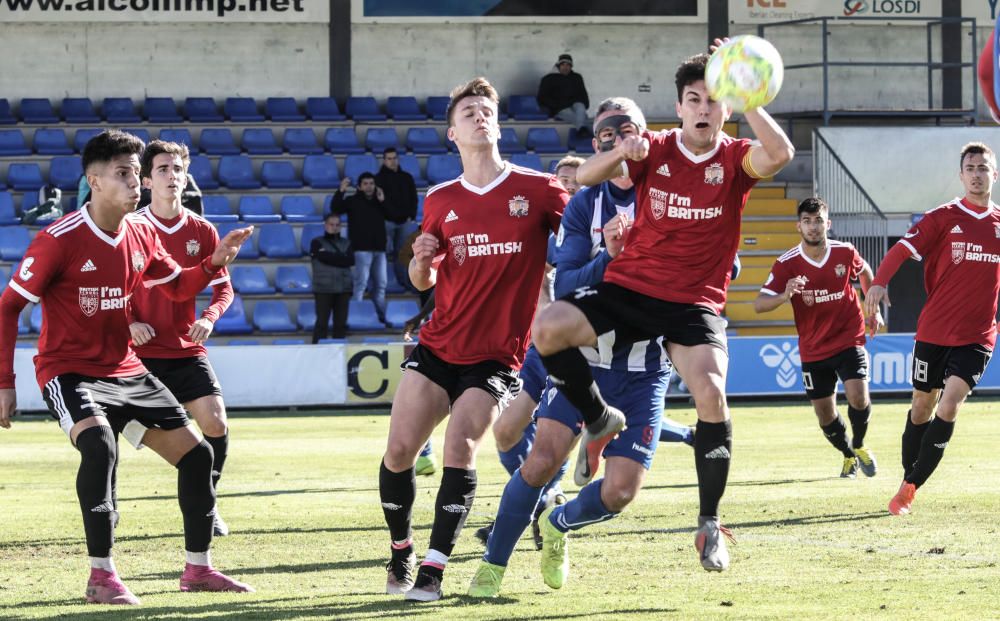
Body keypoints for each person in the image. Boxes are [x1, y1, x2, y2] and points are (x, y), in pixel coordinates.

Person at [531, 44, 794, 573]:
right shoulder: (654, 147)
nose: (703, 109)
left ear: (725, 109)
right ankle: (597, 418)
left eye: (713, 101)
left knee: (713, 393)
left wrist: (749, 100)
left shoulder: (736, 158)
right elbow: (584, 178)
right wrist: (622, 149)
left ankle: (709, 525)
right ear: (678, 107)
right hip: (632, 288)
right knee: (548, 327)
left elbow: (782, 154)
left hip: (693, 304)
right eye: (693, 99)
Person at [0, 130, 254, 605]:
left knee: (198, 457)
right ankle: (101, 576)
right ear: (93, 181)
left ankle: (198, 570)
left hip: (126, 370)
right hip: (69, 370)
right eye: (122, 173)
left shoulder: (141, 232)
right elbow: (9, 306)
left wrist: (213, 262)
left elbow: (178, 287)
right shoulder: (58, 240)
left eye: (136, 174)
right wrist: (4, 383)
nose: (134, 183)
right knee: (99, 448)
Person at [468, 98, 701, 597]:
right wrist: (610, 259)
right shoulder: (583, 204)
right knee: (538, 458)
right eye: (606, 135)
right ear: (597, 144)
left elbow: (725, 266)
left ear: (646, 135)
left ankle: (558, 524)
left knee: (619, 493)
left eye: (627, 130)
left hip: (644, 368)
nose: (618, 141)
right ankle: (491, 568)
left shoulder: (674, 192)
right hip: (584, 362)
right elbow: (569, 281)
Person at [379, 77, 566, 602]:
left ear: (498, 124)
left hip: (496, 357)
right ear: (451, 133)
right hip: (438, 345)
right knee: (398, 452)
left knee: (460, 447)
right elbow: (425, 280)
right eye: (469, 112)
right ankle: (401, 550)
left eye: (487, 110)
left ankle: (434, 572)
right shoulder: (440, 200)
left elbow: (576, 242)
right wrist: (419, 264)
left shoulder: (538, 190)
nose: (479, 116)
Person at [865, 142, 1000, 516]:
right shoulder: (943, 217)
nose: (977, 174)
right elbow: (901, 251)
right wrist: (878, 283)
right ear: (961, 175)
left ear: (994, 174)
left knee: (950, 403)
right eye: (970, 168)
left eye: (983, 168)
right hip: (934, 331)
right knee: (921, 406)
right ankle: (910, 475)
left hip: (978, 337)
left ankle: (909, 488)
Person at [128, 140, 236, 537]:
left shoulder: (202, 230)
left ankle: (207, 504)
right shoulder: (133, 228)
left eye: (178, 169)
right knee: (107, 435)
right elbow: (107, 286)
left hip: (184, 348)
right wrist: (128, 323)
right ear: (146, 180)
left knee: (216, 423)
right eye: (163, 169)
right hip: (134, 354)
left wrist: (208, 316)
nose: (172, 176)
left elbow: (223, 288)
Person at [753, 197, 882, 479]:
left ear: (828, 223)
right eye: (807, 221)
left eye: (818, 221)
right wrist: (784, 295)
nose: (813, 227)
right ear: (799, 225)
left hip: (849, 337)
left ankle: (859, 445)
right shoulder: (786, 264)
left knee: (858, 397)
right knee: (825, 414)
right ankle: (848, 455)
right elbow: (759, 304)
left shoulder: (845, 252)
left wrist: (872, 310)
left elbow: (866, 273)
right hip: (813, 348)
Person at [330, 172, 388, 324]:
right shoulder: (352, 201)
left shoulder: (379, 201)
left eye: (371, 183)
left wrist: (383, 202)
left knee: (381, 285)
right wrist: (341, 190)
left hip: (379, 250)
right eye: (366, 184)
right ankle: (357, 317)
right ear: (359, 186)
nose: (369, 187)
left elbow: (393, 215)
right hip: (361, 250)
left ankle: (381, 317)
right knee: (360, 284)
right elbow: (335, 208)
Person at [310, 212, 354, 342]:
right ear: (325, 225)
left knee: (340, 325)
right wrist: (341, 258)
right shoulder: (316, 242)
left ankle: (338, 355)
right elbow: (324, 257)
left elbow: (350, 260)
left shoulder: (347, 243)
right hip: (323, 289)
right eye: (331, 224)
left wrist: (330, 256)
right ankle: (316, 354)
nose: (334, 227)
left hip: (343, 289)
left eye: (337, 225)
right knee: (321, 324)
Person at [375, 147, 418, 261]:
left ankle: (402, 279)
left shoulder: (407, 177)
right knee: (384, 254)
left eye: (394, 158)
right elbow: (379, 201)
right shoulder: (378, 179)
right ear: (384, 160)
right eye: (389, 158)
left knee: (403, 255)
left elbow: (413, 197)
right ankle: (385, 279)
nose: (392, 161)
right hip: (386, 222)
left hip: (405, 222)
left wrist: (411, 216)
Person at [537, 54, 590, 136]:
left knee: (580, 106)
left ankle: (583, 130)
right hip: (560, 108)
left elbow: (583, 95)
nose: (565, 67)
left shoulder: (577, 77)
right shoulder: (548, 79)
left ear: (571, 66)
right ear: (558, 66)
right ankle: (585, 132)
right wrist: (556, 106)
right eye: (563, 64)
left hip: (575, 106)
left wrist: (582, 104)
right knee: (582, 118)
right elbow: (542, 98)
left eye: (568, 65)